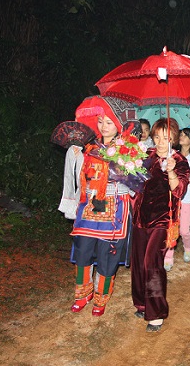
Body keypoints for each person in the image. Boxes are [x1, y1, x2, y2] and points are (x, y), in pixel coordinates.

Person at [65, 95, 135, 317]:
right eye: (101, 121)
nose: (103, 127)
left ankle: (101, 298)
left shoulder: (129, 149)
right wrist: (77, 158)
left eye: (109, 122)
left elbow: (135, 183)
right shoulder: (88, 147)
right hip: (89, 206)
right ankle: (82, 294)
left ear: (119, 124)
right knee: (83, 249)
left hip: (115, 207)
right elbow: (81, 178)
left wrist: (121, 169)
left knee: (107, 254)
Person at [130, 118, 190, 332]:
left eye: (166, 138)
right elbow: (136, 180)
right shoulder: (148, 156)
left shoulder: (179, 160)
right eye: (157, 137)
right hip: (141, 216)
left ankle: (156, 313)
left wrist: (172, 170)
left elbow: (180, 190)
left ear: (173, 138)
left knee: (151, 263)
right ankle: (142, 303)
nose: (161, 142)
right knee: (137, 262)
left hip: (163, 219)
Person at [163, 128, 190, 271]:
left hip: (187, 197)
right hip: (172, 197)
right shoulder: (171, 155)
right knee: (171, 228)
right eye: (181, 135)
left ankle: (189, 245)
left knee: (184, 230)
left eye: (185, 135)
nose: (182, 137)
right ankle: (168, 256)